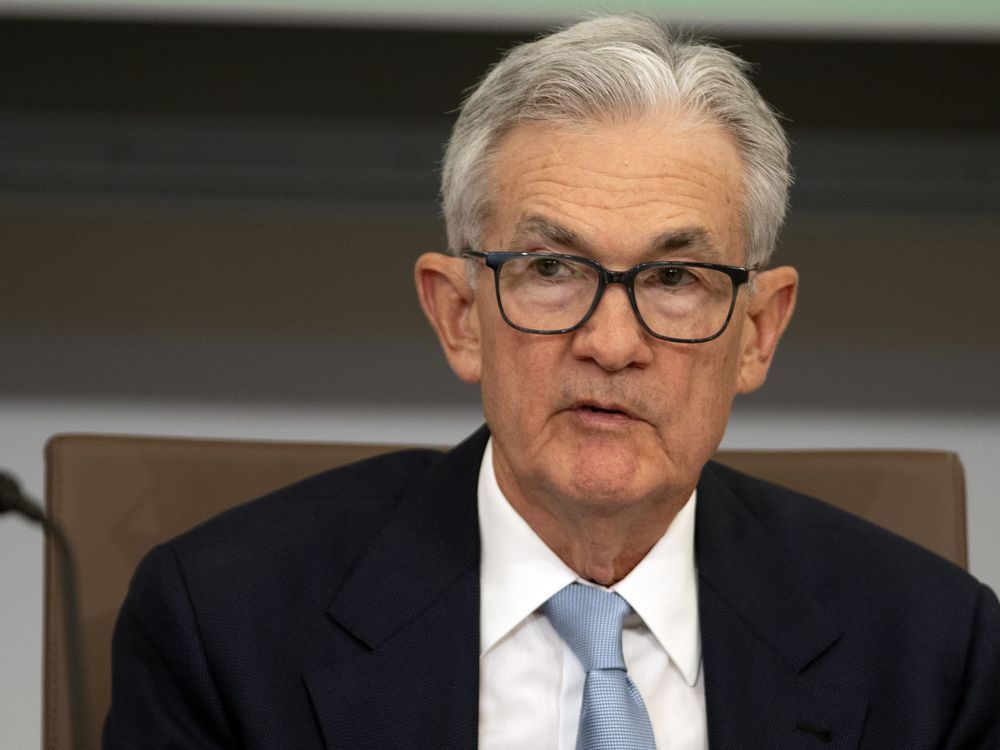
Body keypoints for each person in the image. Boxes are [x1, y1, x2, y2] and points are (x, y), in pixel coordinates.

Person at [104, 15, 1000, 750]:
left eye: (676, 279)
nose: (612, 344)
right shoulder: (224, 625)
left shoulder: (931, 654)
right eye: (550, 269)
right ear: (460, 315)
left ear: (758, 333)